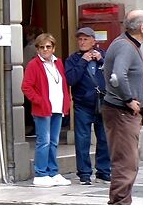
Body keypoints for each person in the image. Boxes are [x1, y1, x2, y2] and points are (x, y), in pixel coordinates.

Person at [100, 9, 143, 205]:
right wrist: (128, 100)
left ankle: (117, 204)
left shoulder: (123, 43)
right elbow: (117, 75)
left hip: (119, 111)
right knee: (126, 160)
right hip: (121, 112)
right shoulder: (126, 47)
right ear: (142, 28)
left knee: (125, 159)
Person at [63, 26, 113, 186]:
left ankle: (103, 172)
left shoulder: (104, 56)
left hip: (103, 103)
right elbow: (71, 80)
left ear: (94, 41)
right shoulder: (73, 59)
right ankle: (84, 174)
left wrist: (101, 61)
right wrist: (83, 62)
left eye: (85, 39)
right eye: (80, 39)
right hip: (82, 105)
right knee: (82, 140)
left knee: (104, 138)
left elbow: (113, 75)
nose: (82, 42)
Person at [22, 31, 69, 187]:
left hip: (57, 107)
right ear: (37, 49)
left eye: (48, 47)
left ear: (53, 48)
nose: (45, 50)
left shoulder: (58, 63)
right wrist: (39, 101)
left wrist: (66, 102)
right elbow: (26, 87)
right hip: (43, 109)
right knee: (44, 142)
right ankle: (41, 173)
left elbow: (62, 84)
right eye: (42, 47)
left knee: (53, 142)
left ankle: (53, 171)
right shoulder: (33, 65)